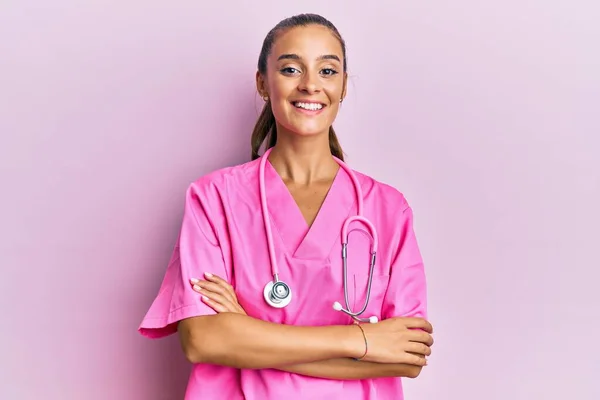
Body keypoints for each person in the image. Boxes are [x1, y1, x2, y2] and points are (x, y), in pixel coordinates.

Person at [139, 13, 434, 400]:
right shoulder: (214, 199)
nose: (310, 84)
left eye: (328, 70)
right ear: (263, 83)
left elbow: (406, 355)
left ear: (343, 86)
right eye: (292, 68)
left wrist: (247, 332)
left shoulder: (387, 209)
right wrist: (363, 339)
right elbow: (203, 340)